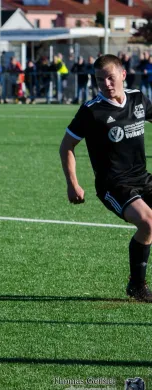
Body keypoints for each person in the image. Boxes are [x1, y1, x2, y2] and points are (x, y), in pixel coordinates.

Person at [60, 54, 152, 302]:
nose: (106, 84)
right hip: (113, 185)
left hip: (143, 178)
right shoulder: (92, 111)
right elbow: (67, 146)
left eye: (110, 78)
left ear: (123, 74)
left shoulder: (137, 99)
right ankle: (137, 285)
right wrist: (73, 184)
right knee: (147, 221)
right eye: (100, 80)